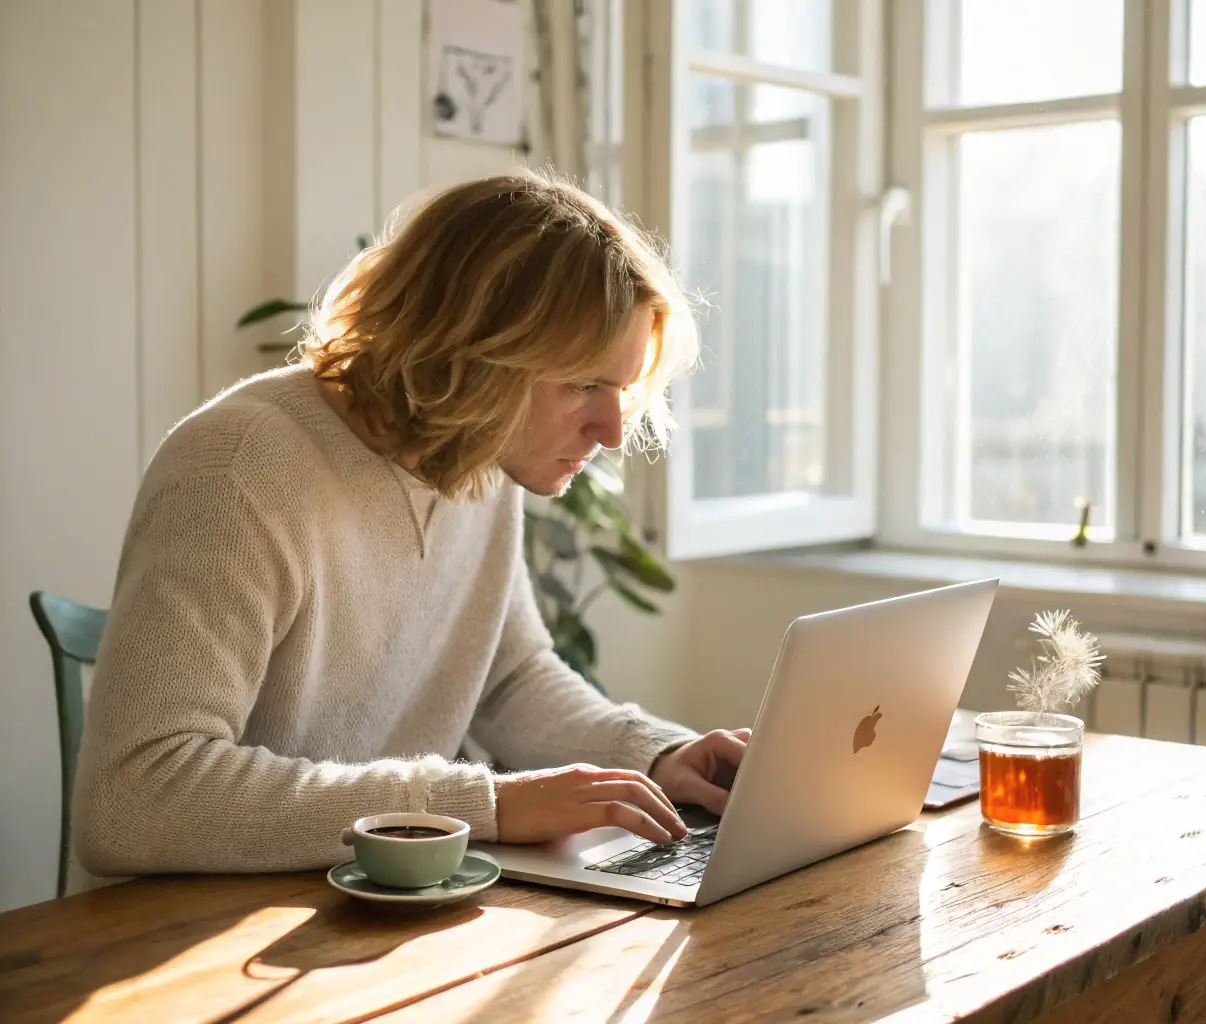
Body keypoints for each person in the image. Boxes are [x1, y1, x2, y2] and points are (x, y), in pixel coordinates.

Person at [72, 172, 750, 877]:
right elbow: (132, 800)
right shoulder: (238, 469)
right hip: (180, 936)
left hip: (361, 908)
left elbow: (506, 679)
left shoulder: (477, 452)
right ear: (472, 351)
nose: (612, 432)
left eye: (622, 389)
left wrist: (652, 756)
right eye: (583, 385)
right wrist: (479, 803)